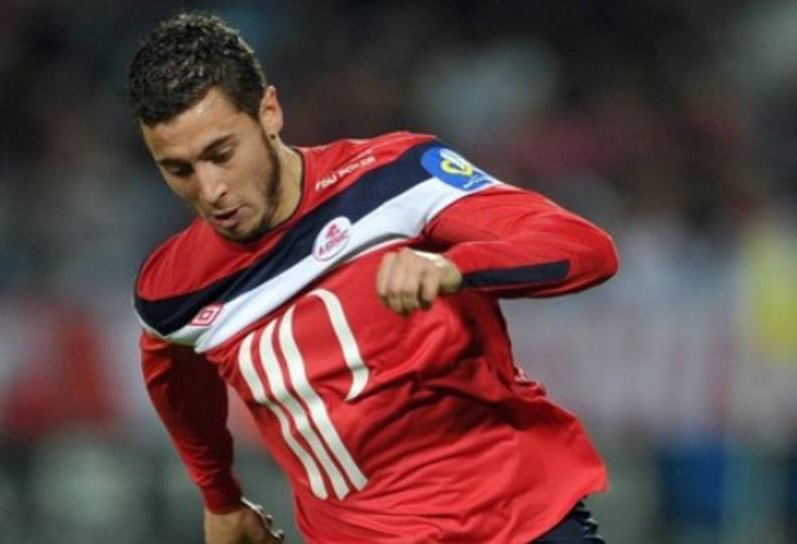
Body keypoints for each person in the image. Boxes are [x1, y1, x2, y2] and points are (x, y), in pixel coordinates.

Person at [128, 13, 617, 544]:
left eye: (221, 154)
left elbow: (587, 250)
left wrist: (454, 267)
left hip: (518, 524)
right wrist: (220, 499)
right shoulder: (174, 291)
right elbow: (173, 376)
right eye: (179, 170)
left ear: (269, 111)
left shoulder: (394, 177)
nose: (211, 190)